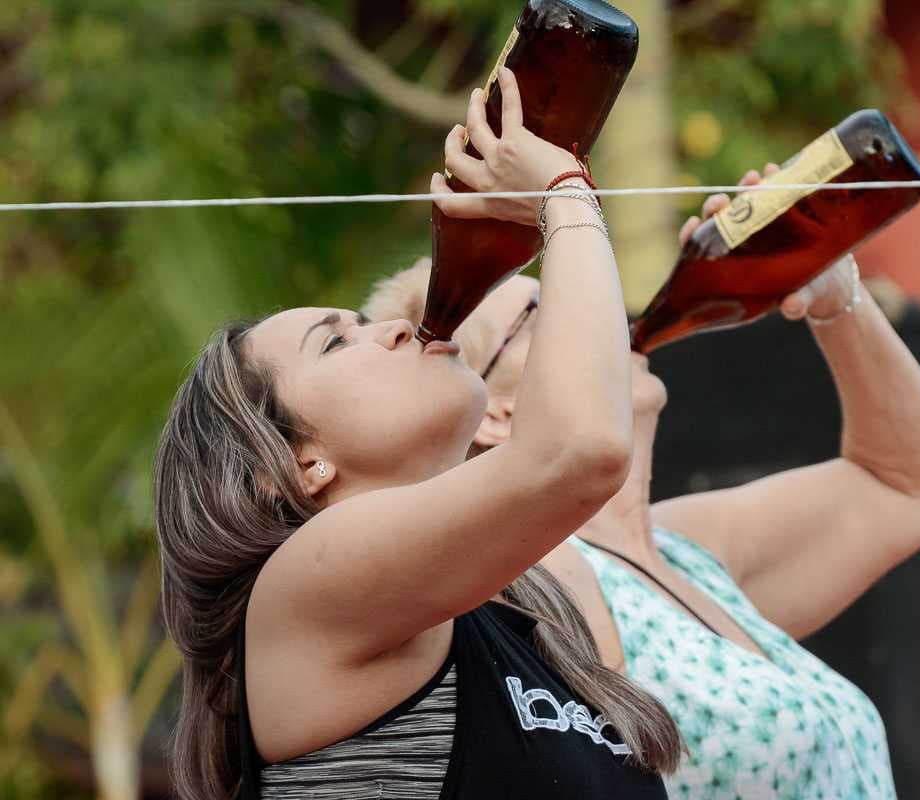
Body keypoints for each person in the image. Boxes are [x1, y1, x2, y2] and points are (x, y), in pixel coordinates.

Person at [363, 164, 920, 799]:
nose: (595, 311)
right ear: (492, 412)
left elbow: (917, 482)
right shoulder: (531, 589)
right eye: (544, 309)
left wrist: (833, 295)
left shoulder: (685, 553)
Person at [153, 68, 681, 800]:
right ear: (297, 464)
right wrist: (564, 193)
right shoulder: (305, 584)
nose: (397, 327)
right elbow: (579, 451)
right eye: (338, 343)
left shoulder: (543, 596)